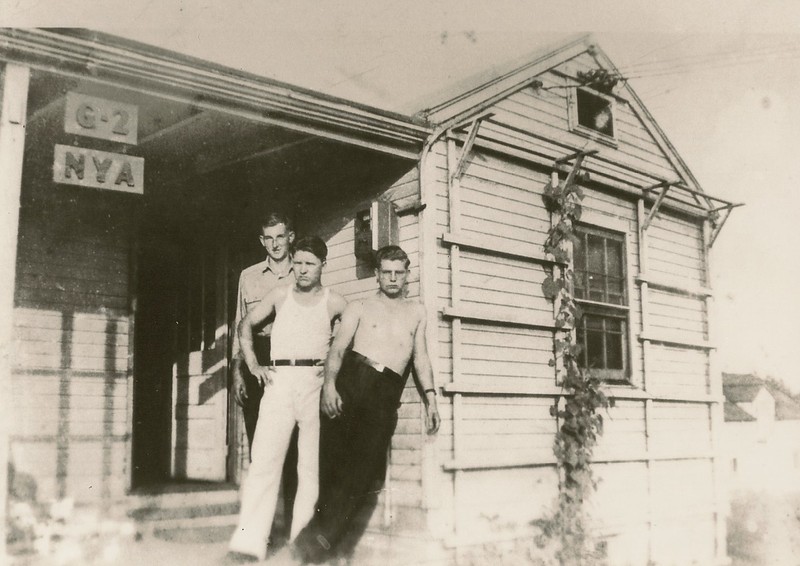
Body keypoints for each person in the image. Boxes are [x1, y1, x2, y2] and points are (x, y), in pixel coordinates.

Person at [292, 245, 440, 564]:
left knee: (362, 473)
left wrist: (431, 398)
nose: (392, 278)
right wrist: (330, 386)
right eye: (386, 272)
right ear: (377, 274)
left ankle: (314, 546)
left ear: (407, 275)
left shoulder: (417, 312)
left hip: (385, 392)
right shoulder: (359, 307)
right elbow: (338, 350)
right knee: (331, 467)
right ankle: (316, 548)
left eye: (398, 273)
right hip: (350, 381)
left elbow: (421, 358)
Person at [229, 236, 346, 562]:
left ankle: (302, 545)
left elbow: (351, 336)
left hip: (314, 384)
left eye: (310, 263)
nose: (302, 270)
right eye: (297, 263)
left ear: (323, 264)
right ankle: (247, 546)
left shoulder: (334, 301)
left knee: (309, 468)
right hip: (279, 383)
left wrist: (334, 377)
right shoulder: (280, 294)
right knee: (263, 463)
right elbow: (244, 324)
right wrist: (253, 365)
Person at [231, 212, 299, 537]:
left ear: (291, 237)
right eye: (268, 238)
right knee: (261, 450)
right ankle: (262, 532)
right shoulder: (249, 276)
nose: (274, 244)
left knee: (293, 446)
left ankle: (293, 531)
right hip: (255, 357)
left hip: (290, 359)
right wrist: (238, 370)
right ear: (262, 241)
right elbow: (239, 325)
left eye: (280, 236)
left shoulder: (303, 273)